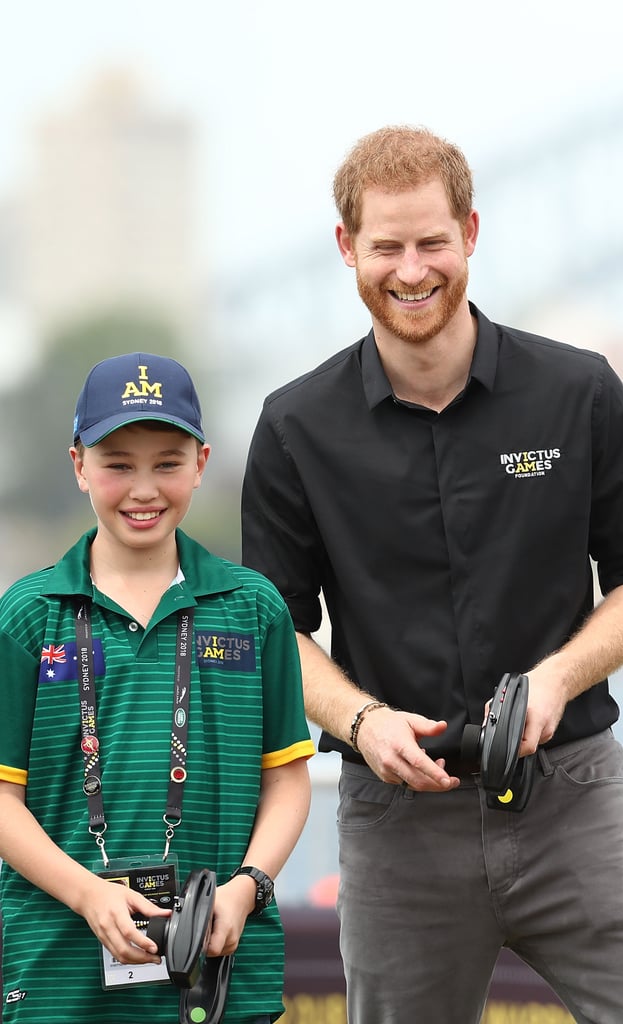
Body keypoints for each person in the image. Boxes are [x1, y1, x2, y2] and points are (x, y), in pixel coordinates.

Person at [240, 126, 623, 1023]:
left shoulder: (579, 390)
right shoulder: (294, 427)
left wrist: (558, 678)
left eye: (432, 241)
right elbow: (273, 632)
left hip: (575, 801)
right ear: (346, 249)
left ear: (470, 233)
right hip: (394, 821)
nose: (412, 269)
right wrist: (361, 723)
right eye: (387, 246)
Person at [0, 352, 315, 1024]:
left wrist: (246, 888)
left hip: (215, 964)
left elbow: (286, 780)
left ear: (201, 463)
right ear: (78, 464)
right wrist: (88, 894)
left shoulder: (252, 607)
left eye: (166, 463)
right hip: (56, 969)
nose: (143, 489)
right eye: (118, 464)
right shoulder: (29, 613)